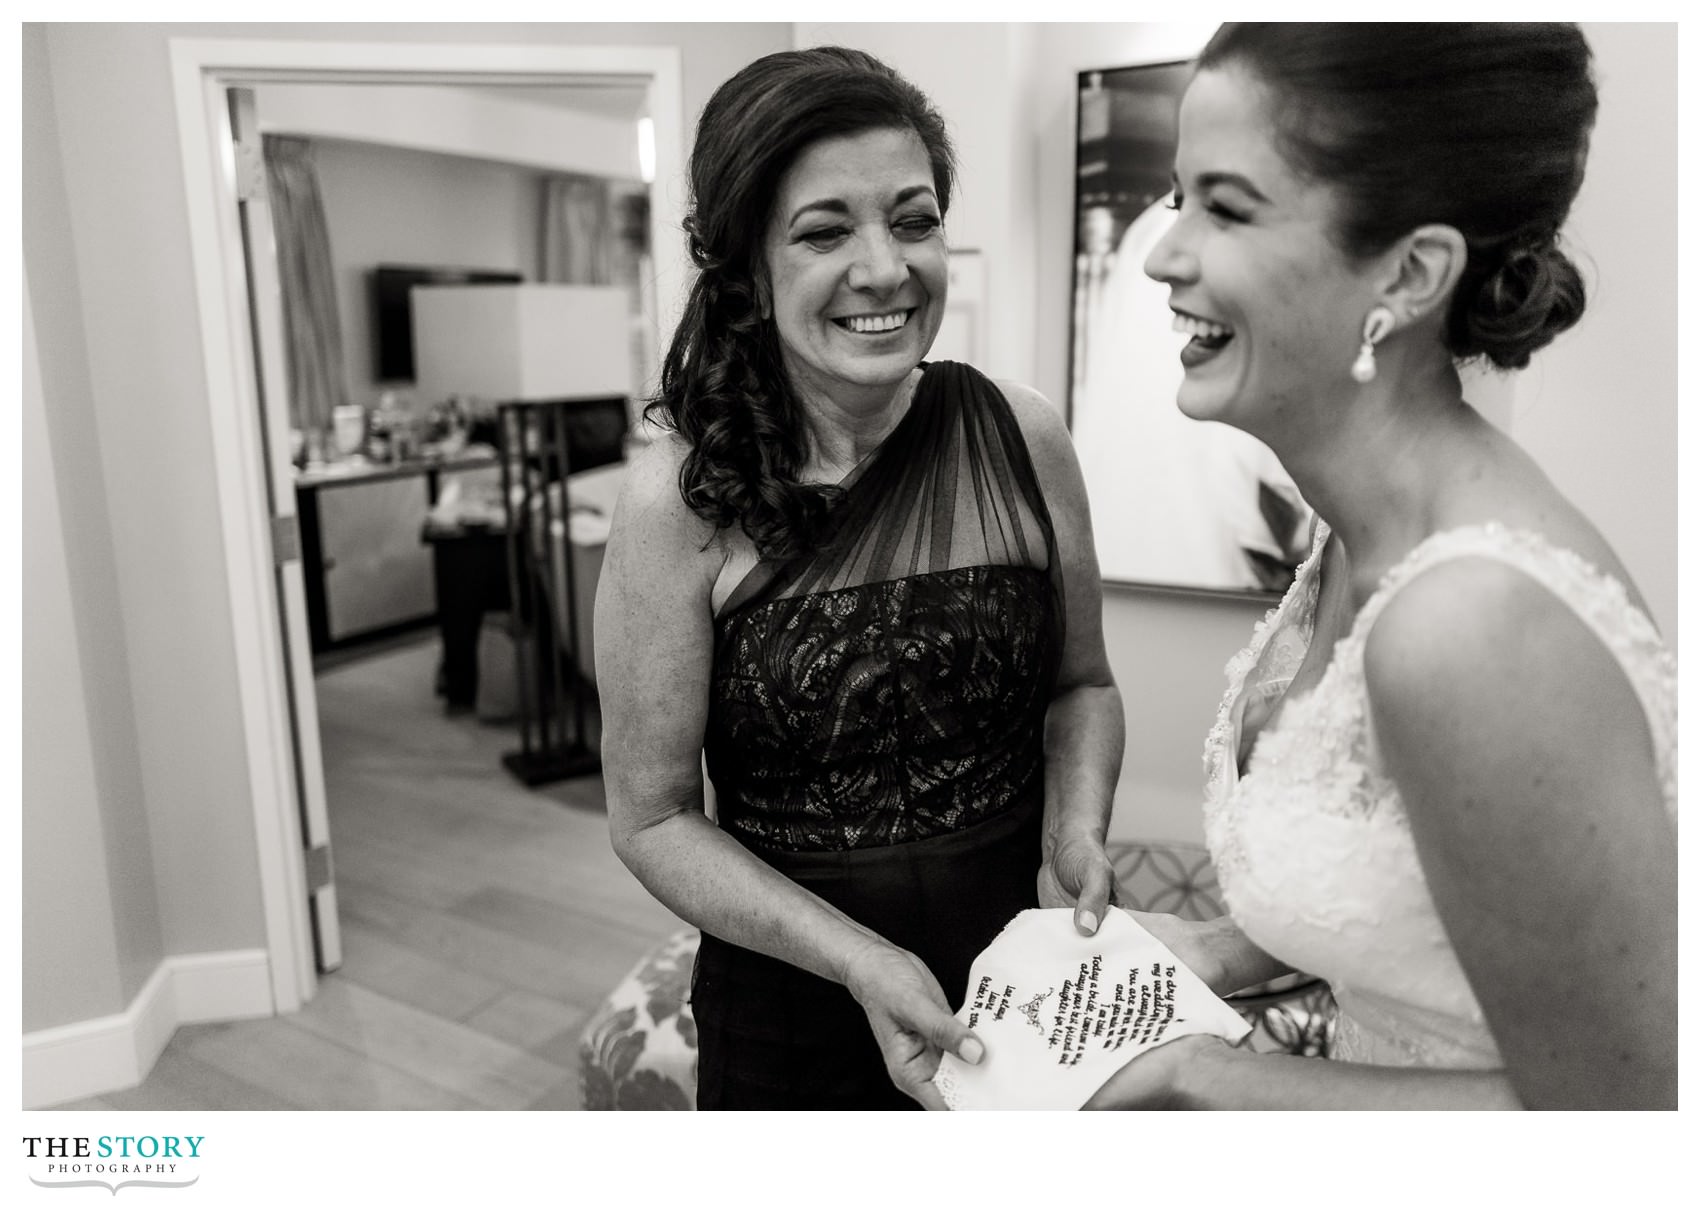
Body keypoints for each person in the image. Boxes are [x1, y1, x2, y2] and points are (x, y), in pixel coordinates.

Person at [1088, 22, 1676, 1110]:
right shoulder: (1345, 540)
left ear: (1407, 273)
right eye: (1177, 197)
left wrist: (1209, 1079)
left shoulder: (1468, 626)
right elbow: (1434, 914)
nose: (1163, 253)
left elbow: (1623, 1123)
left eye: (1223, 206)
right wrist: (1220, 952)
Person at [595, 46, 1124, 1110]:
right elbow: (650, 819)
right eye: (825, 230)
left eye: (913, 219)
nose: (885, 268)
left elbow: (1082, 687)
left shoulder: (1021, 435)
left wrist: (1073, 831)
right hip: (796, 1005)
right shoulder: (680, 502)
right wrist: (854, 957)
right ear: (746, 269)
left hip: (1018, 977)